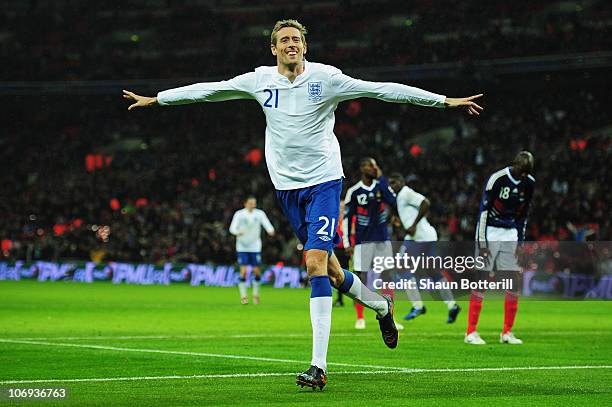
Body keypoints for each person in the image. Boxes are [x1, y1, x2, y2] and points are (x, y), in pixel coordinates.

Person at [123, 19, 483, 390]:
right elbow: (210, 91)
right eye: (284, 40)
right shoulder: (260, 80)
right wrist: (158, 98)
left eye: (297, 39)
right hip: (287, 190)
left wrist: (443, 101)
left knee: (313, 264)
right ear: (274, 49)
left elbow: (382, 90)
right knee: (332, 272)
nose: (291, 44)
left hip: (325, 183)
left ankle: (318, 366)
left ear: (305, 47)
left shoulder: (327, 78)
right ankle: (381, 306)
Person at [466, 151, 535, 345]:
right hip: (491, 231)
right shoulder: (497, 179)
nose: (523, 176)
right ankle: (470, 332)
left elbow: (524, 215)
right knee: (481, 280)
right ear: (515, 165)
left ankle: (507, 332)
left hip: (510, 232)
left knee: (513, 282)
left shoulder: (529, 183)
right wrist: (482, 243)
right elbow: (483, 212)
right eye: (522, 171)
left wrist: (520, 243)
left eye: (527, 172)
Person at [388, 173, 461, 323]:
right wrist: (403, 224)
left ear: (402, 182)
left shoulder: (405, 192)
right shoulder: (400, 197)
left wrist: (413, 224)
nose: (392, 186)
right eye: (390, 183)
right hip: (426, 236)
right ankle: (452, 305)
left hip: (419, 238)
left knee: (401, 267)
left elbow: (425, 202)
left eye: (394, 182)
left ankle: (418, 306)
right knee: (433, 272)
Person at [343, 158, 404, 331]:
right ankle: (360, 317)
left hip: (383, 240)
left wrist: (382, 178)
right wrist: (348, 242)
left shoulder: (381, 187)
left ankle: (390, 316)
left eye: (375, 165)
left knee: (387, 278)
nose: (374, 168)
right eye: (370, 165)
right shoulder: (354, 191)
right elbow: (347, 218)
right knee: (360, 279)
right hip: (362, 242)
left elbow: (394, 201)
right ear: (362, 168)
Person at [229, 196, 275, 305]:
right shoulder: (239, 214)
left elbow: (266, 223)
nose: (252, 205)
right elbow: (232, 228)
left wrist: (270, 230)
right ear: (245, 203)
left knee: (256, 271)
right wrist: (237, 232)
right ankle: (244, 296)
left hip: (255, 246)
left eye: (254, 203)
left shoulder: (259, 214)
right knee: (243, 271)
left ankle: (255, 294)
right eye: (250, 203)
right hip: (242, 246)